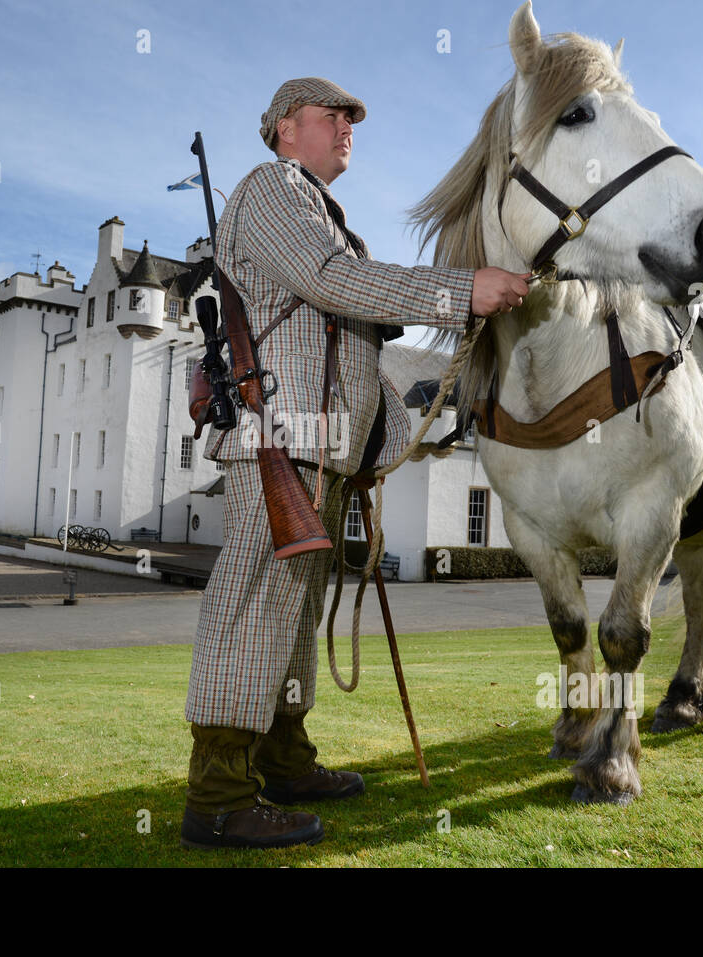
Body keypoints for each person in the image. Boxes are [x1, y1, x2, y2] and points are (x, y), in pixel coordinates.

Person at [181, 77, 529, 849]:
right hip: (281, 438)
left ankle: (283, 759)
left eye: (351, 119)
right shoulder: (273, 188)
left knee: (295, 619)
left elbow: (355, 338)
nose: (347, 127)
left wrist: (379, 442)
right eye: (330, 115)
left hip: (321, 448)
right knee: (254, 604)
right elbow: (335, 283)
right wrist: (463, 291)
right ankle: (218, 795)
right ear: (282, 128)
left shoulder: (318, 210)